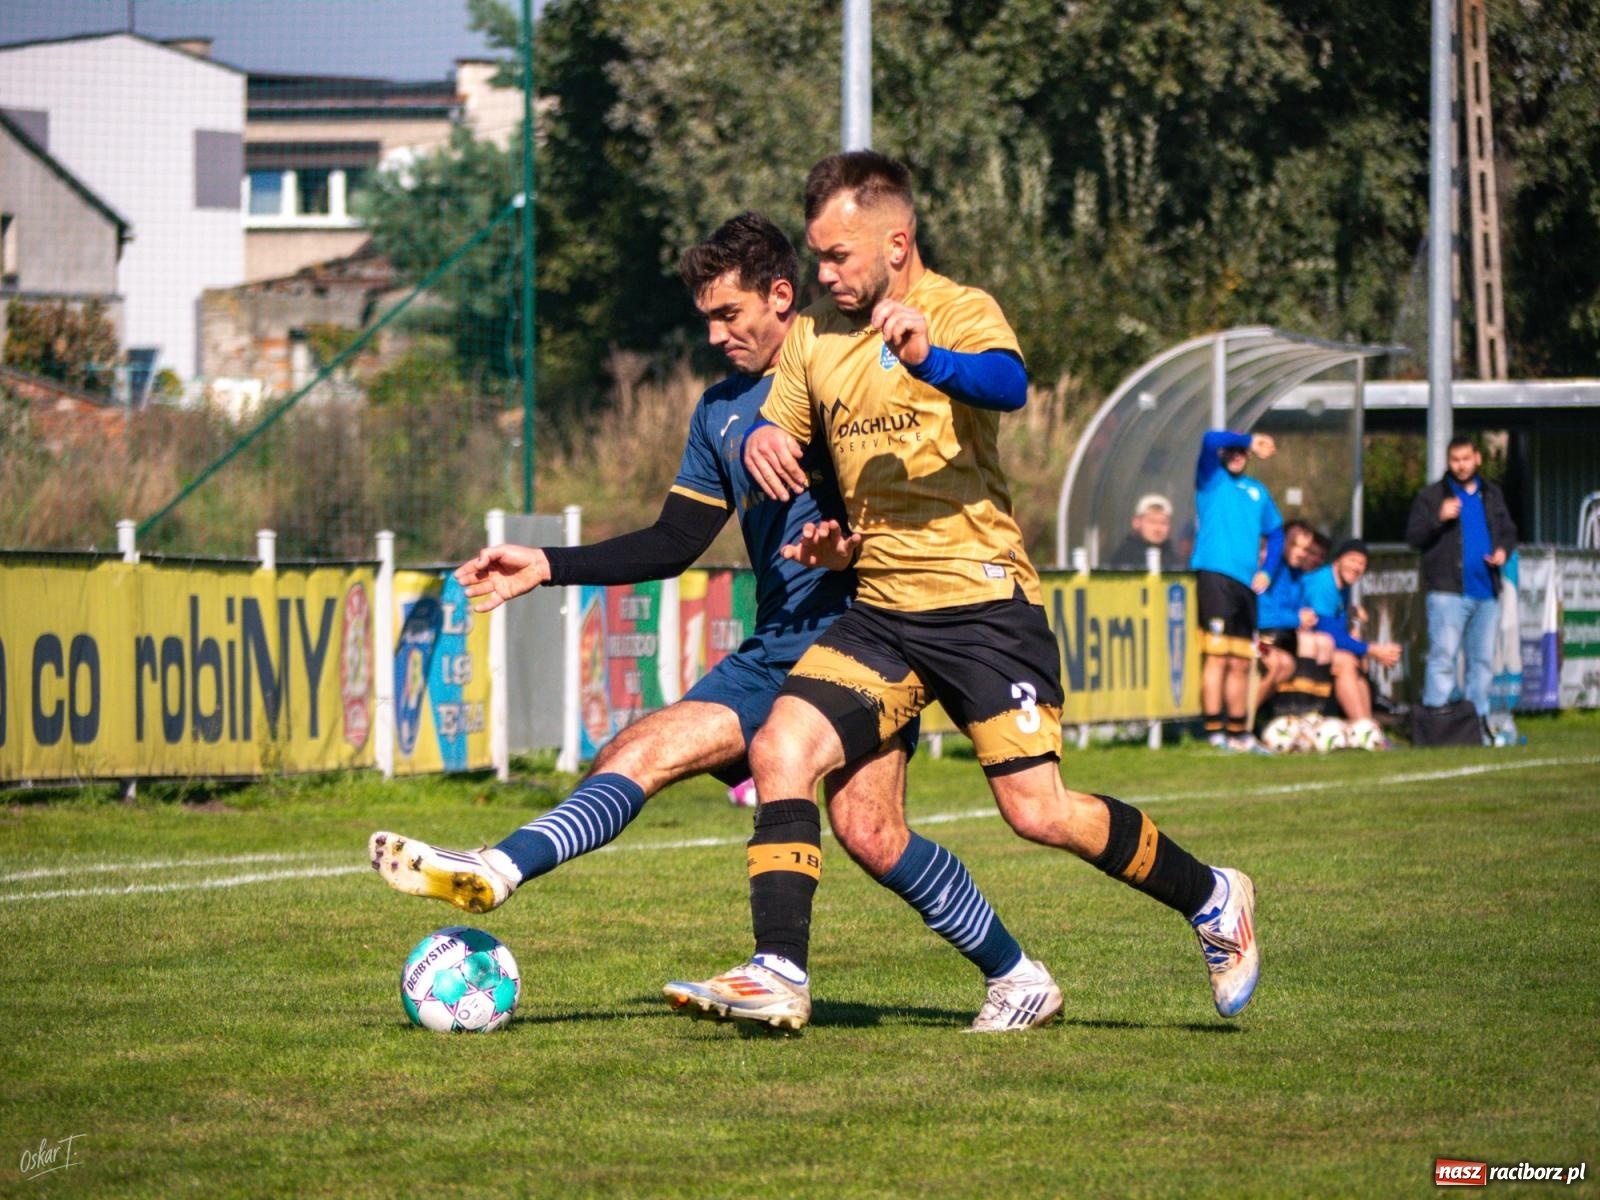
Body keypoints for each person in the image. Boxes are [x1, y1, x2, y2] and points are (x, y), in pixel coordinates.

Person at [367, 212, 1056, 1033]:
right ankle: (1017, 975)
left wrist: (848, 538)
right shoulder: (721, 411)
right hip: (778, 643)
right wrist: (551, 564)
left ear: (781, 296)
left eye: (730, 316)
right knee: (863, 829)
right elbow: (674, 541)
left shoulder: (846, 367)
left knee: (736, 780)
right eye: (706, 320)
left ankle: (519, 873)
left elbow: (912, 489)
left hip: (868, 639)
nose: (716, 335)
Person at [663, 151, 1258, 1032]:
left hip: (983, 607)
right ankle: (778, 971)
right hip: (882, 613)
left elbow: (1008, 386)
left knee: (1039, 812)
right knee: (783, 752)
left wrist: (929, 355)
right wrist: (766, 459)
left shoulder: (961, 310)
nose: (821, 273)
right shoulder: (819, 345)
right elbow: (781, 437)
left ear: (896, 241)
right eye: (817, 259)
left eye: (836, 257)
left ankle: (1212, 896)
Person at [1405, 435, 1518, 732]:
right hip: (1447, 592)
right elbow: (1413, 537)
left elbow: (1508, 531)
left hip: (1486, 592)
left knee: (1481, 662)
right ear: (1448, 461)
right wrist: (1437, 518)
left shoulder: (1491, 494)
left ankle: (1476, 724)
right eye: (1455, 460)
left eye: (1466, 459)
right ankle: (1435, 722)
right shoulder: (1432, 497)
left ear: (1477, 458)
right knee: (1443, 657)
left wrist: (1502, 550)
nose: (1461, 465)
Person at [1190, 428, 1283, 752]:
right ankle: (1215, 732)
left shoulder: (1258, 491)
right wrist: (1248, 440)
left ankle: (1239, 733)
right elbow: (1209, 439)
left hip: (1246, 586)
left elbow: (1277, 533)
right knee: (1218, 657)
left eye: (1242, 452)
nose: (1237, 455)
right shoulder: (1211, 478)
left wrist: (1268, 571)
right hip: (1215, 577)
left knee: (1242, 661)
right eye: (1232, 450)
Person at [1300, 539, 1403, 723]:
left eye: (1362, 563)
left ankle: (1369, 727)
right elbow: (1328, 632)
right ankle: (1361, 726)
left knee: (1356, 660)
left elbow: (1338, 628)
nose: (1357, 567)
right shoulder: (1324, 583)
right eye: (1352, 560)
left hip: (1317, 645)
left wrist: (1362, 648)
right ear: (1338, 560)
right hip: (1298, 644)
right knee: (1346, 661)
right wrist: (1373, 650)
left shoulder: (1343, 586)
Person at [1105, 494, 1183, 570]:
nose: (1158, 528)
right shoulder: (1124, 557)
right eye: (1152, 522)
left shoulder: (1174, 558)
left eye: (1164, 523)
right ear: (1136, 523)